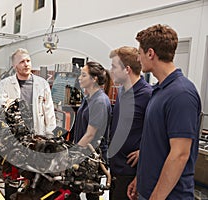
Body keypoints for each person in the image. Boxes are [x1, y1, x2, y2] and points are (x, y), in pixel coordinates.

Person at [127, 24, 201, 200]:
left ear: (151, 53)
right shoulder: (159, 91)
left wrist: (156, 197)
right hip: (150, 190)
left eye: (140, 53)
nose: (138, 58)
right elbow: (155, 144)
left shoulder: (181, 94)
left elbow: (180, 154)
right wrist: (140, 179)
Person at [0, 48, 56, 199]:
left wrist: (50, 136)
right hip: (14, 140)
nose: (26, 64)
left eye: (28, 61)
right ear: (14, 66)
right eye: (22, 61)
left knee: (36, 179)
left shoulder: (42, 84)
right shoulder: (6, 83)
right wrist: (7, 102)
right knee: (12, 178)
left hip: (37, 139)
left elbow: (49, 112)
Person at [108, 46, 152, 200]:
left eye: (114, 67)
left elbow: (158, 133)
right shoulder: (122, 91)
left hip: (131, 172)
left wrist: (144, 151)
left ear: (127, 69)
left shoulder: (147, 95)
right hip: (115, 168)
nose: (111, 71)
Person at [73, 61, 112, 200]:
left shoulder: (100, 101)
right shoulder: (88, 98)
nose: (79, 78)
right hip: (83, 154)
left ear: (94, 79)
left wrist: (71, 155)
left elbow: (90, 134)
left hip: (93, 159)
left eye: (83, 75)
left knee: (91, 195)